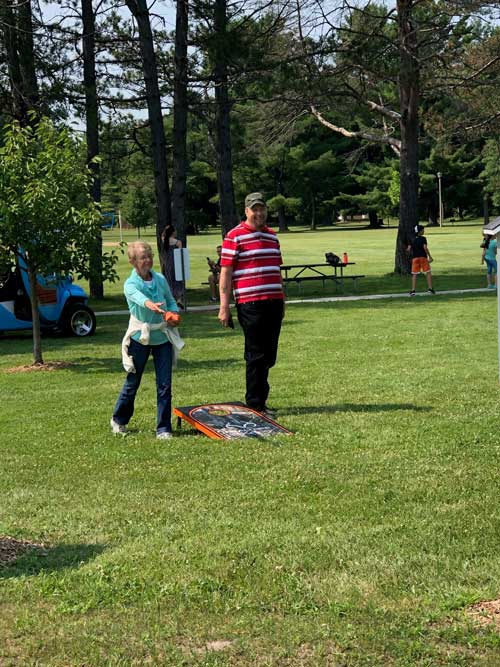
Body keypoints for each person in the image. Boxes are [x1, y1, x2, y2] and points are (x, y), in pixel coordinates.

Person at [218, 192, 284, 416]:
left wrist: (282, 299)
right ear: (246, 211)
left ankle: (261, 400)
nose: (258, 213)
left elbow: (276, 270)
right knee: (255, 354)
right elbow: (225, 274)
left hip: (274, 303)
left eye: (261, 209)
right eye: (254, 209)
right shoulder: (234, 236)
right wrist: (224, 306)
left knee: (269, 355)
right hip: (250, 303)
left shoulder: (272, 236)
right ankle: (255, 404)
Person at [111, 241, 183, 439]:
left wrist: (173, 314)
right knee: (133, 381)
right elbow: (138, 298)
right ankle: (119, 420)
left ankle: (163, 428)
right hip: (139, 337)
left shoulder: (160, 279)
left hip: (162, 337)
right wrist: (151, 304)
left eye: (149, 256)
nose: (148, 260)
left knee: (164, 384)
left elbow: (169, 300)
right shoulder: (130, 284)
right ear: (133, 261)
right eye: (143, 257)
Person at [407, 224, 435, 296]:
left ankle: (413, 290)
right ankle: (430, 289)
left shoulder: (411, 239)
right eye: (422, 230)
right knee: (428, 272)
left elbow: (409, 249)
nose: (423, 231)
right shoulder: (423, 238)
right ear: (419, 231)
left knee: (414, 274)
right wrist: (430, 257)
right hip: (423, 258)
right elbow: (425, 248)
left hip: (415, 258)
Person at [161, 224, 184, 307]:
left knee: (168, 280)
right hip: (176, 264)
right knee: (178, 281)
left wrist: (166, 229)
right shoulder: (178, 242)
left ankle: (171, 299)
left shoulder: (164, 240)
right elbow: (180, 254)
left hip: (167, 264)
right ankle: (179, 299)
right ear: (173, 232)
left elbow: (163, 234)